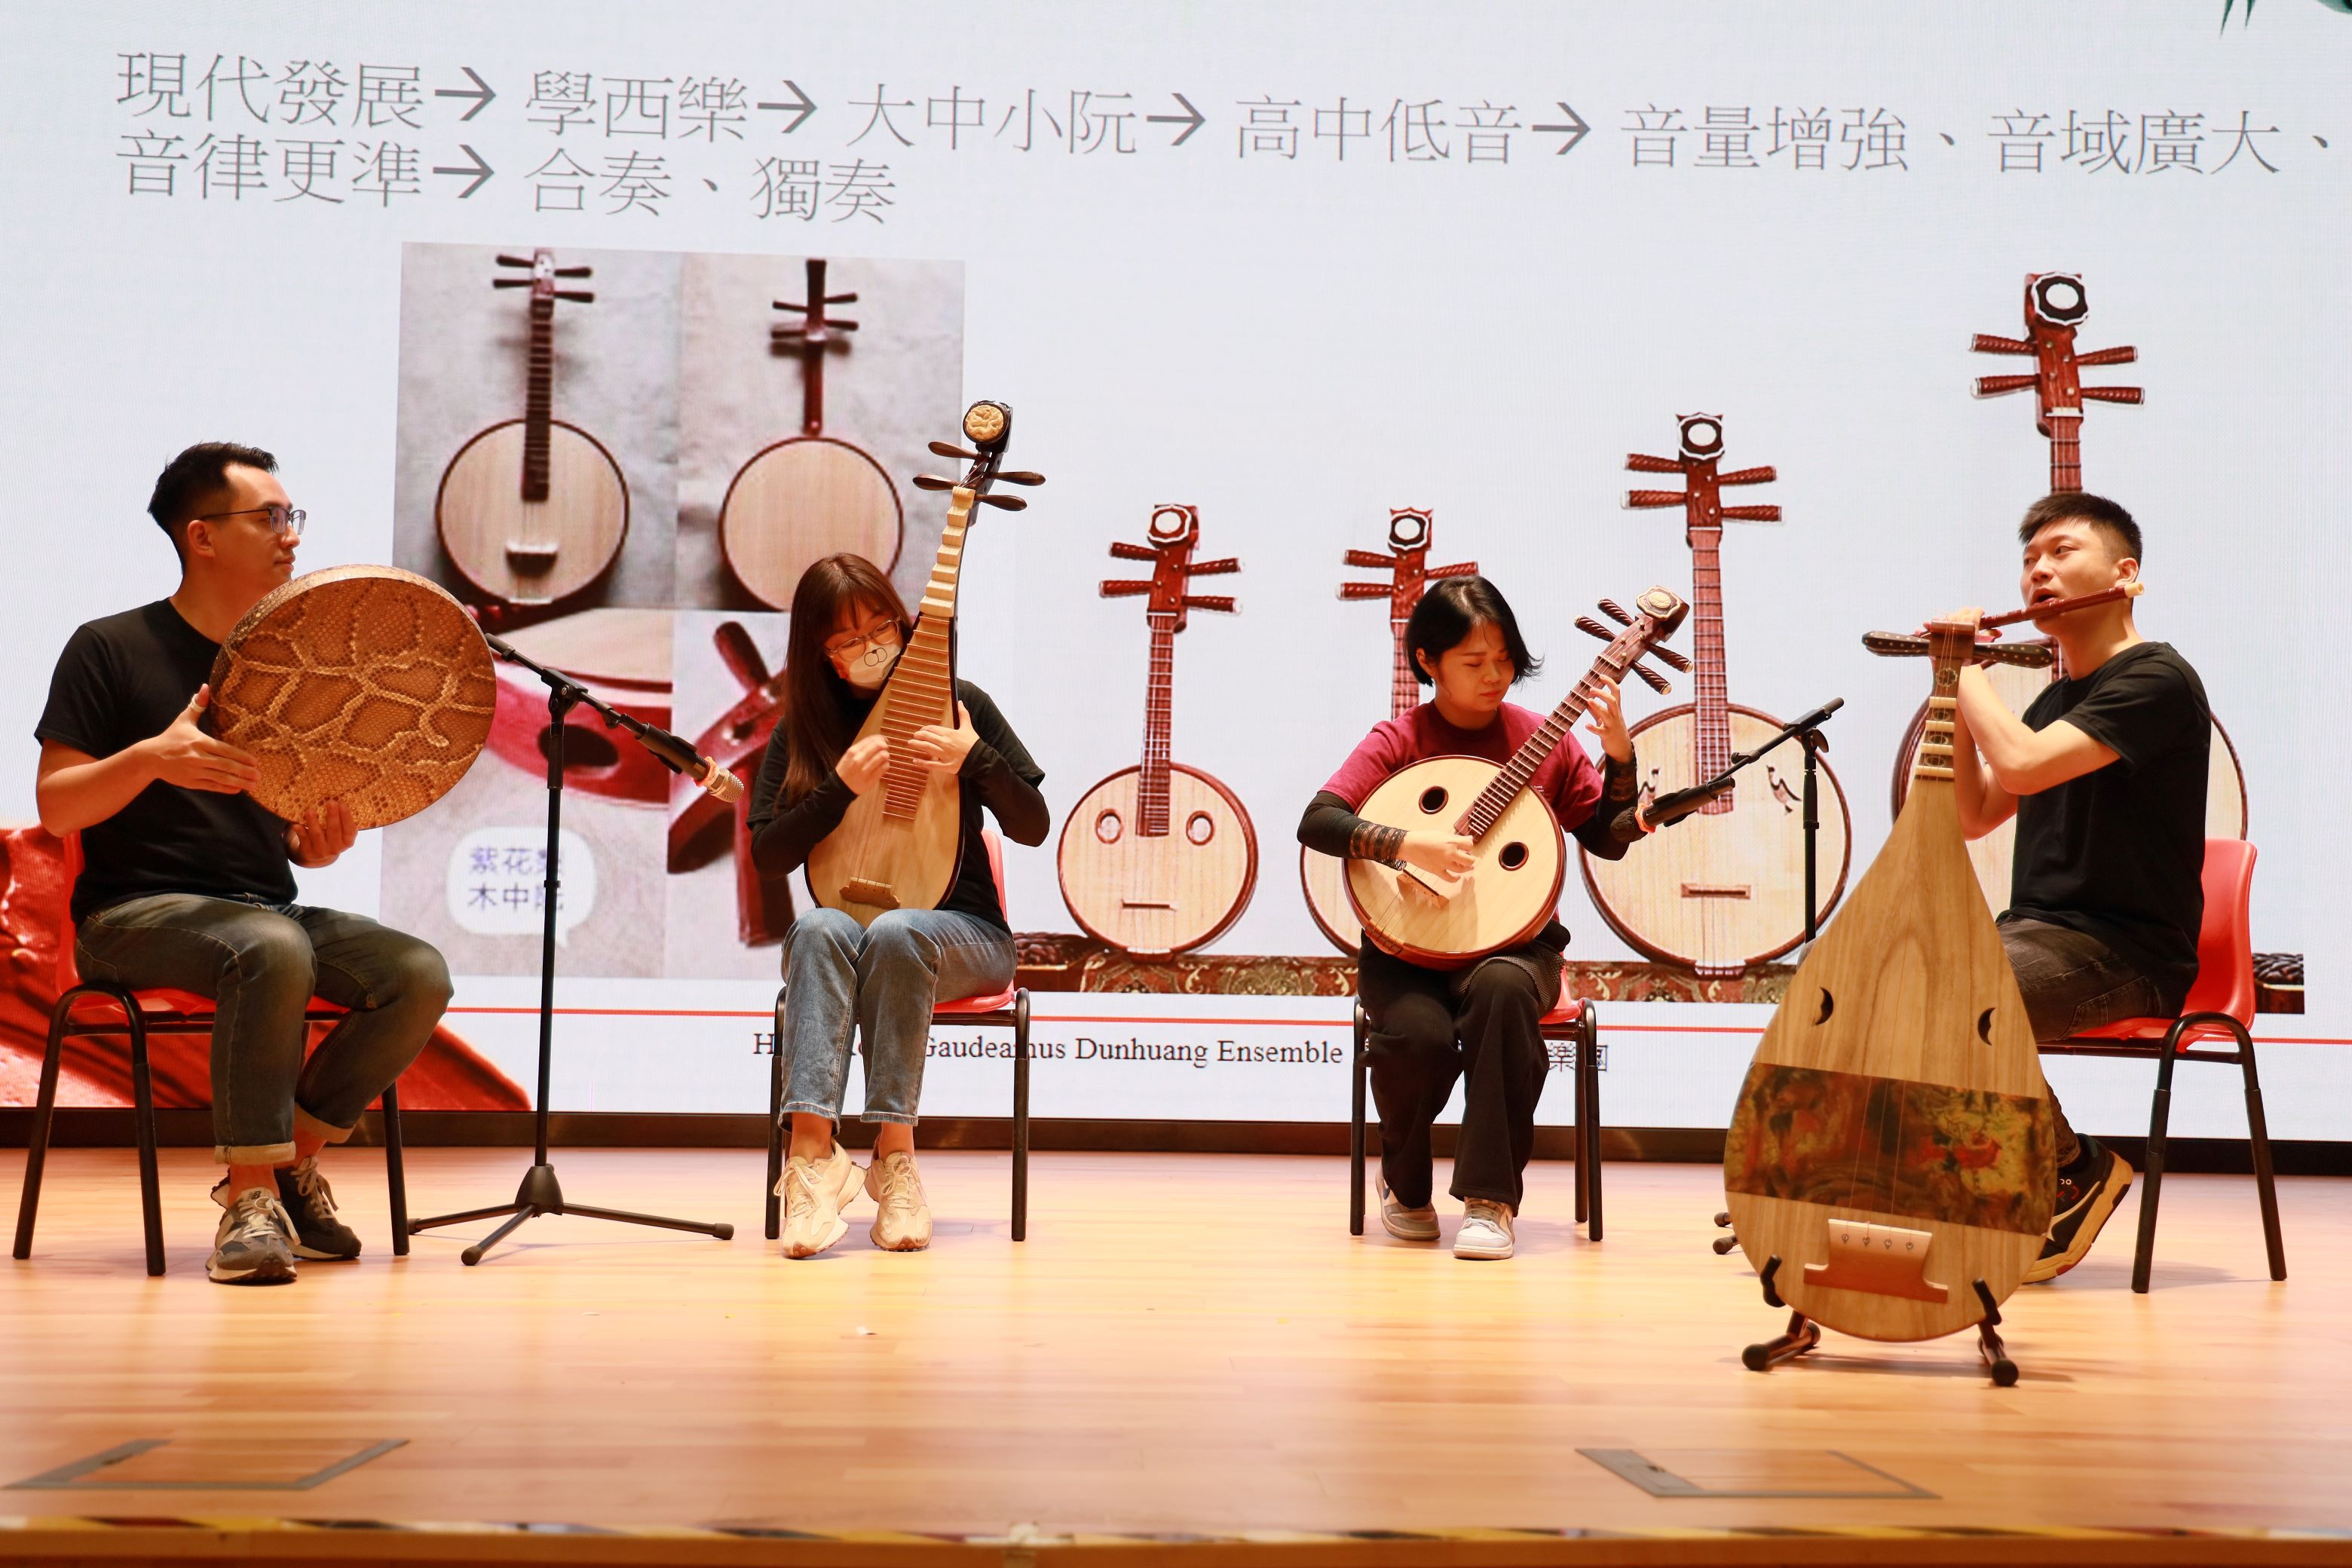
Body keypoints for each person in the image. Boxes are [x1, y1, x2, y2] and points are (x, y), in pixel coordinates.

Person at [33, 443, 453, 1285]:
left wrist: (311, 844)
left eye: (292, 517)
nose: (290, 535)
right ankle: (251, 1200)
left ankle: (286, 1166)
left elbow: (290, 828)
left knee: (415, 973)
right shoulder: (109, 647)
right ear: (202, 536)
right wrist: (152, 757)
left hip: (262, 910)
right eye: (269, 517)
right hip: (130, 918)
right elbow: (57, 807)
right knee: (270, 946)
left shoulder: (297, 663)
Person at [1297, 577, 1645, 1261]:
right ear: (1428, 660)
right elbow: (1318, 822)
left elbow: (1609, 839)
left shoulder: (1541, 739)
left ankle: (1491, 1200)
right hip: (1407, 951)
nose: (1495, 676)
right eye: (1475, 662)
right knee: (1417, 1037)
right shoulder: (1398, 739)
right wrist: (1406, 844)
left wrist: (1620, 757)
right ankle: (1404, 1186)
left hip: (1517, 946)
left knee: (1503, 991)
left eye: (1505, 659)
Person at [748, 553, 1048, 1260]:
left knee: (897, 932)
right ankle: (813, 1161)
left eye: (883, 627)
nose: (873, 646)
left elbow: (1033, 826)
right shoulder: (804, 731)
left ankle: (896, 1156)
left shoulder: (961, 703)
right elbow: (768, 856)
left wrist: (977, 760)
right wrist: (837, 791)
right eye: (850, 639)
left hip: (966, 937)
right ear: (820, 652)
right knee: (818, 926)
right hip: (854, 936)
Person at [1946, 492, 2209, 1282]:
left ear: (2125, 575)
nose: (2039, 571)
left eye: (2062, 552)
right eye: (2029, 560)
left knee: (1963, 992)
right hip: (2037, 934)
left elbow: (2023, 766)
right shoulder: (2054, 698)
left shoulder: (2157, 678)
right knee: (1888, 981)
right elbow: (1977, 812)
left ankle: (2071, 1168)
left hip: (2127, 952)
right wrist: (1950, 697)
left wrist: (1965, 671)